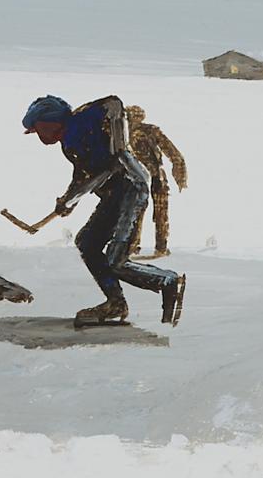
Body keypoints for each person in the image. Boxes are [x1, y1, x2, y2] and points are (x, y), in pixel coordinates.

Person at [22, 94, 184, 326]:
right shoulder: (69, 142)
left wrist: (118, 146)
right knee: (87, 243)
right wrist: (68, 200)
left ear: (50, 122)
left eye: (37, 129)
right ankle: (115, 302)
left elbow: (113, 104)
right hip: (113, 195)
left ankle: (166, 281)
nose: (37, 135)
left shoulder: (81, 122)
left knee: (116, 260)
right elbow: (83, 176)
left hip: (130, 189)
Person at [124, 105, 187, 258]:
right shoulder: (123, 134)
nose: (133, 120)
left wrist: (180, 172)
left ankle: (158, 247)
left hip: (154, 176)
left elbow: (173, 153)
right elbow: (174, 153)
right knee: (139, 211)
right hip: (139, 177)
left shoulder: (149, 131)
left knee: (156, 212)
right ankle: (136, 246)